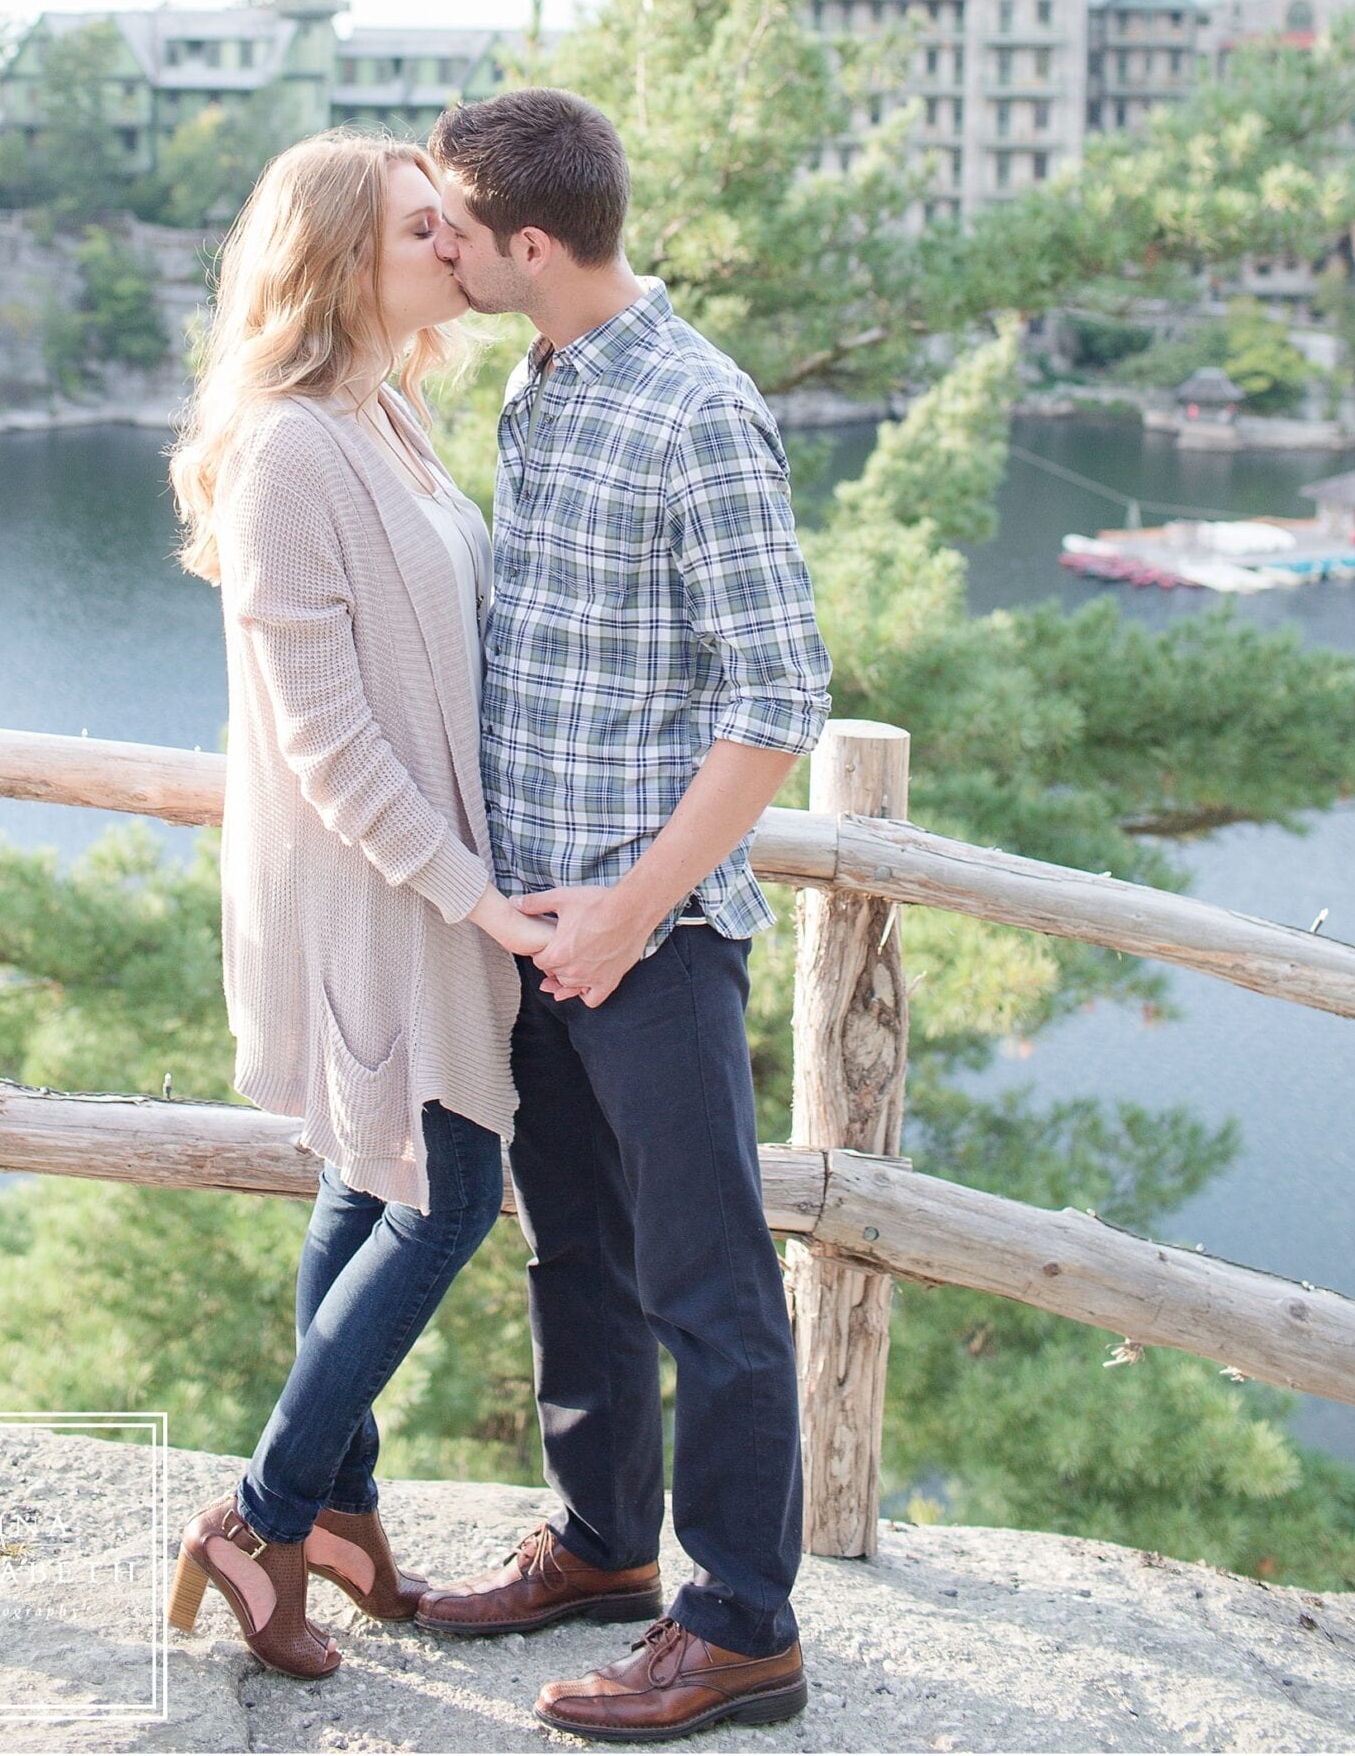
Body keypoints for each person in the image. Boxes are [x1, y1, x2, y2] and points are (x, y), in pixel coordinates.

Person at [416, 88, 831, 1744]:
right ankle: (601, 1551)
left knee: (707, 1284)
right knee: (570, 1255)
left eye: (450, 222)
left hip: (650, 942)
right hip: (538, 929)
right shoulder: (537, 373)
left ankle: (740, 1624)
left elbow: (777, 699)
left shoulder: (694, 412)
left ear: (532, 244)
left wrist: (627, 914)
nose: (435, 240)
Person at [164, 129, 547, 1680]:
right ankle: (260, 1517)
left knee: (365, 1181)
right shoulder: (288, 449)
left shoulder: (377, 410)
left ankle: (346, 1514)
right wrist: (477, 895)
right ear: (335, 257)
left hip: (420, 883)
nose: (451, 250)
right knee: (447, 1192)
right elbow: (327, 740)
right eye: (418, 231)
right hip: (378, 894)